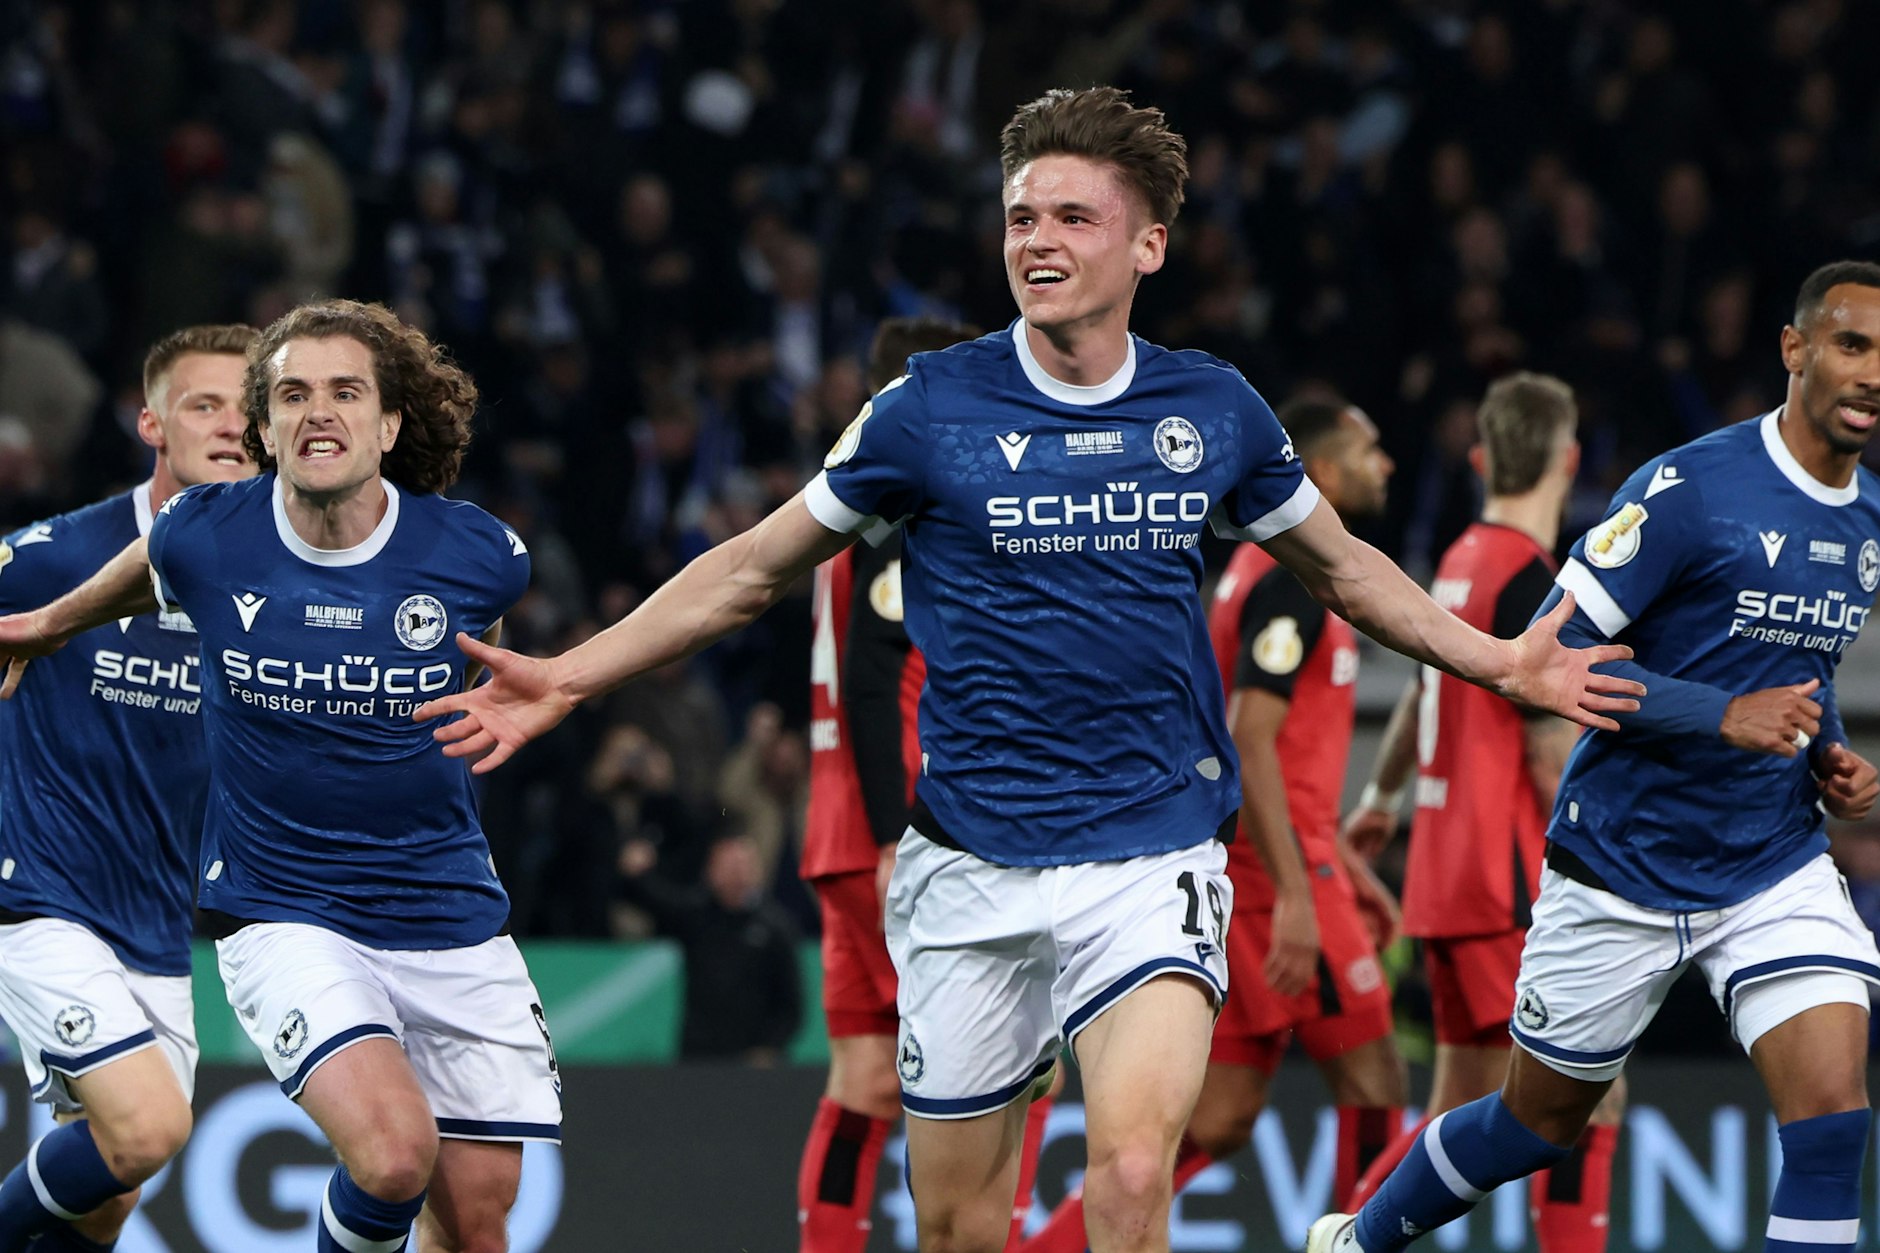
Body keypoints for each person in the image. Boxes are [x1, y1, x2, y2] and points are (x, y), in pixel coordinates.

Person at [414, 87, 1638, 1253]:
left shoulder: (1209, 409)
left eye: (1070, 218)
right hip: (969, 871)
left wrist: (1497, 661)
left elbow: (1345, 569)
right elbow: (749, 567)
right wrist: (572, 674)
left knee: (1130, 1171)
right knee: (955, 1223)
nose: (1035, 241)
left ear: (1148, 244)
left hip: (1150, 855)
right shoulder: (924, 408)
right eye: (1018, 217)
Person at [1308, 261, 1880, 1253]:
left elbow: (1805, 663)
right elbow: (1543, 656)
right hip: (1620, 861)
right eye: (1849, 344)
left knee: (1831, 1116)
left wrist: (1826, 748)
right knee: (1535, 1122)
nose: (1870, 373)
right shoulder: (1688, 490)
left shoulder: (1865, 518)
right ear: (1793, 350)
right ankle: (1359, 1238)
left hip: (1769, 864)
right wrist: (1718, 713)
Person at [0, 299, 557, 1253]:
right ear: (265, 428)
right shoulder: (198, 538)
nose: (315, 412)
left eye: (345, 391)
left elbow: (484, 646)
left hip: (434, 909)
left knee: (476, 1218)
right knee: (373, 1153)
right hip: (259, 906)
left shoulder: (478, 555)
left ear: (389, 423)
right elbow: (153, 560)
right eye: (291, 394)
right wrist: (52, 621)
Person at [1019, 396, 1408, 1253]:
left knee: (1225, 1114)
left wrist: (1344, 854)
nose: (1386, 465)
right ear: (1327, 471)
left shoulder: (1249, 569)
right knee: (1377, 1083)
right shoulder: (1294, 584)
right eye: (1371, 449)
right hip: (1285, 873)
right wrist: (1306, 896)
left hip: (1278, 858)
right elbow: (1252, 740)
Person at [1339, 373, 1625, 1252]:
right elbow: (1546, 750)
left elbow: (1426, 689)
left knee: (1455, 1102)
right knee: (1591, 1091)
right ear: (1570, 461)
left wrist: (1383, 795)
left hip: (1441, 875)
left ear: (1479, 458)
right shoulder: (1531, 582)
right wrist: (1607, 877)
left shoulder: (1460, 559)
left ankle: (1344, 1234)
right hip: (1503, 878)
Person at [796, 316, 1060, 1252]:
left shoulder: (841, 516)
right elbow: (875, 679)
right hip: (905, 837)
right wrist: (884, 842)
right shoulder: (905, 514)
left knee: (866, 1074)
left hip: (839, 827)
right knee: (1014, 1070)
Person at [0, 325, 256, 1253]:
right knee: (147, 1128)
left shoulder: (274, 584)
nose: (233, 427)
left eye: (250, 409)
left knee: (109, 1188)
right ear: (152, 422)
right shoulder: (51, 559)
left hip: (154, 921)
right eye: (205, 405)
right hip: (36, 896)